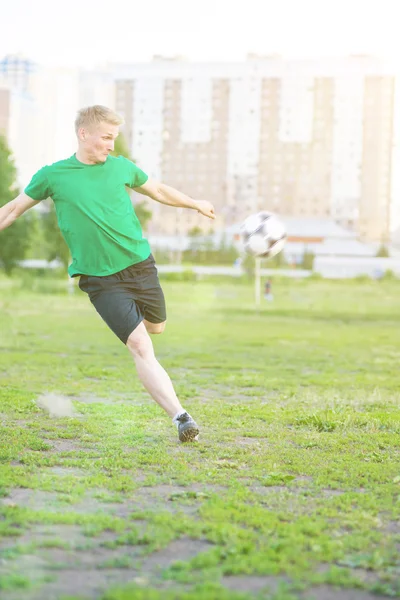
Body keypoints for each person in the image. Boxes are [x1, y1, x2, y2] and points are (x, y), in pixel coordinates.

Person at [0, 105, 215, 442]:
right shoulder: (53, 175)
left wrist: (195, 203)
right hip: (99, 279)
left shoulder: (120, 168)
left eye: (114, 139)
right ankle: (181, 418)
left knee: (156, 328)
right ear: (84, 134)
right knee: (140, 345)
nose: (111, 145)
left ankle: (137, 326)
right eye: (106, 138)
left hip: (140, 266)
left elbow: (157, 190)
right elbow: (13, 209)